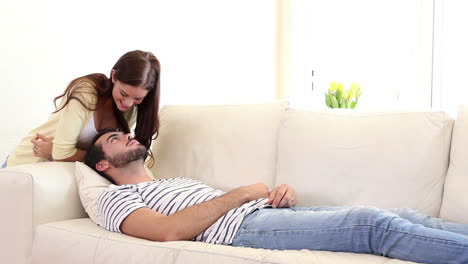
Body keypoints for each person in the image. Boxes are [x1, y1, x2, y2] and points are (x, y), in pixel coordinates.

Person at [84, 128, 468, 264]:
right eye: (116, 138)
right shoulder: (114, 198)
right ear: (103, 166)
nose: (129, 135)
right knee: (373, 225)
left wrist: (281, 195)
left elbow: (228, 204)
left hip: (265, 213)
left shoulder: (171, 181)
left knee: (404, 214)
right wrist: (242, 194)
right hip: (246, 229)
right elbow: (167, 231)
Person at [4, 50, 160, 168]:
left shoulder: (131, 110)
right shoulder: (86, 92)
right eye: (123, 93)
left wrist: (54, 150)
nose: (127, 103)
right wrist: (58, 152)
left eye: (138, 98)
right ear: (113, 76)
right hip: (26, 165)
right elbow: (63, 153)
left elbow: (114, 156)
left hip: (61, 173)